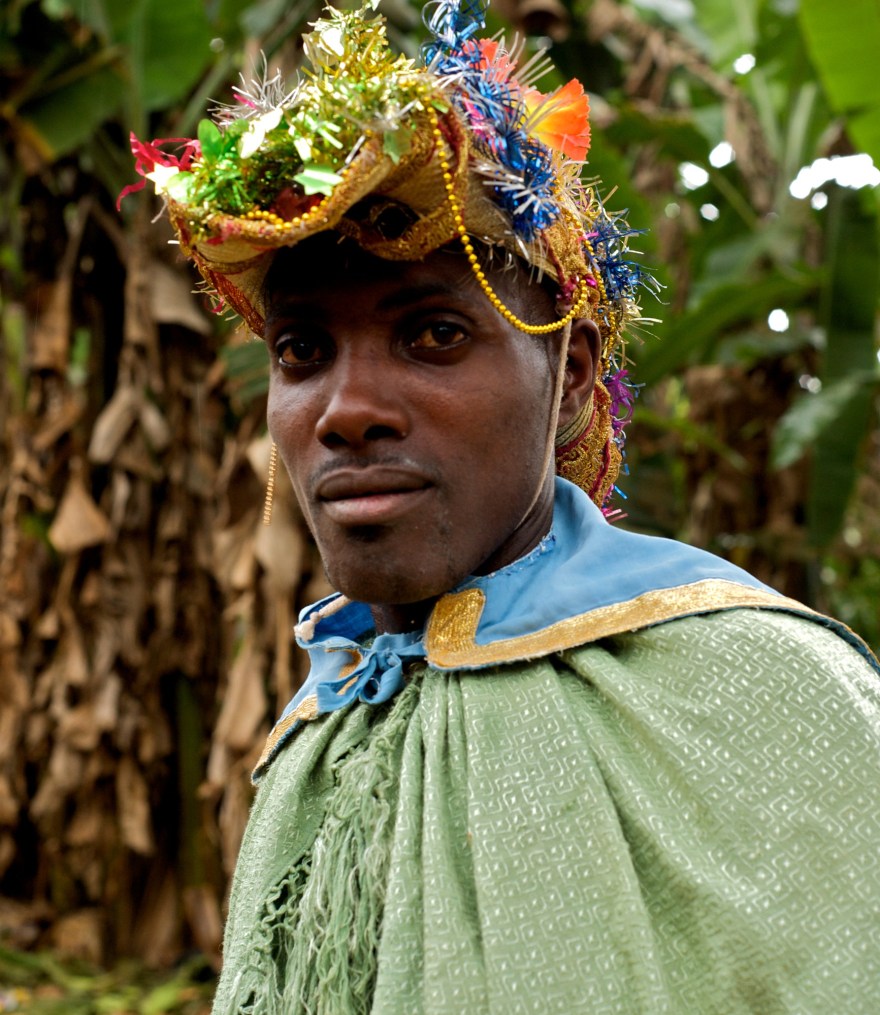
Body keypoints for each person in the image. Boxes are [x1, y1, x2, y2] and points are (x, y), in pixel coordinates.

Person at [129, 2, 880, 1011]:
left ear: (570, 377)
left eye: (434, 335)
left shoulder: (769, 694)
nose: (346, 410)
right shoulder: (316, 730)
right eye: (302, 351)